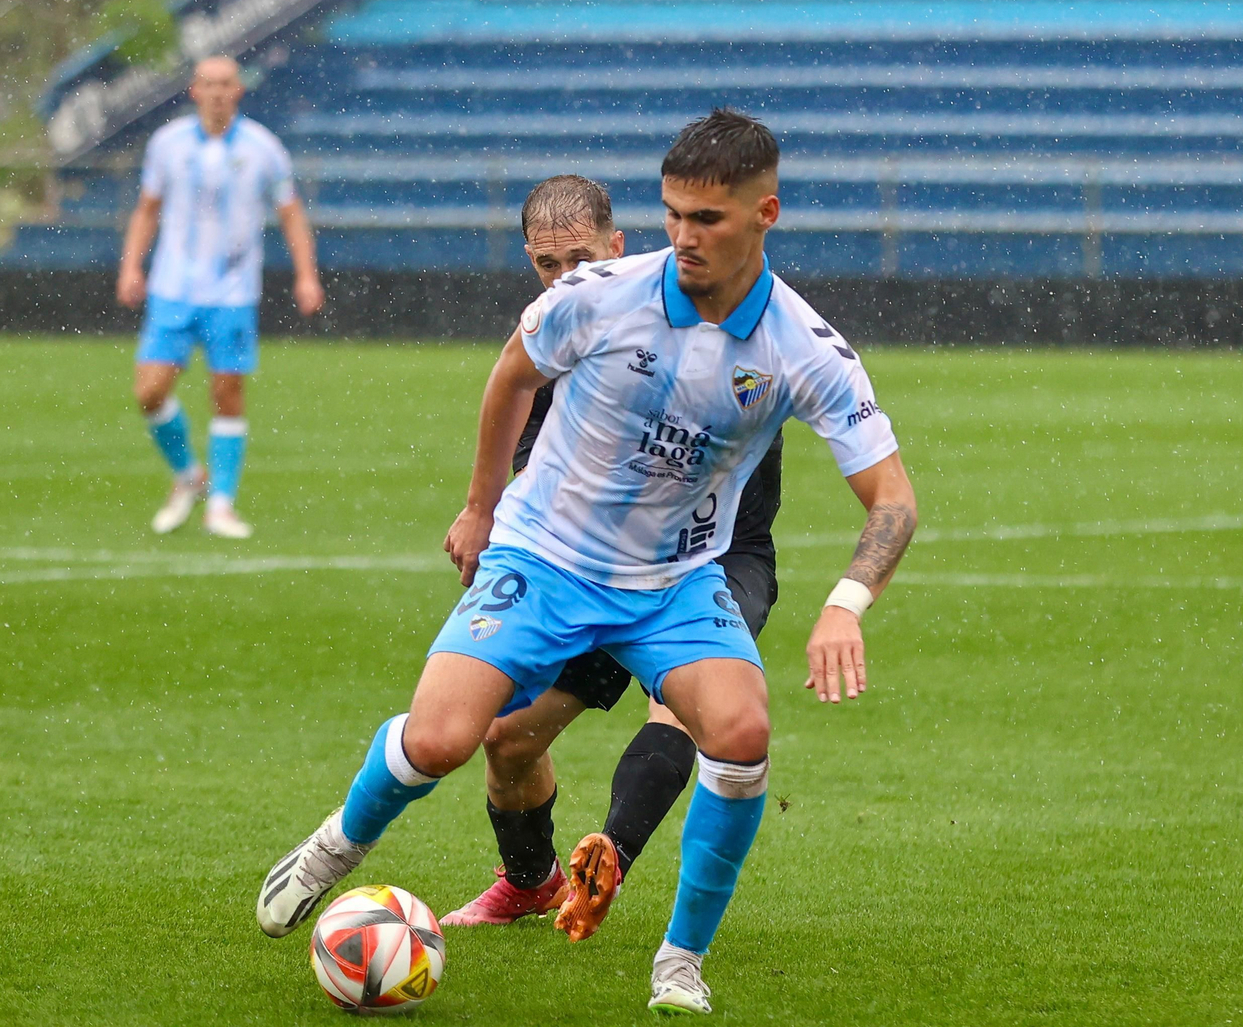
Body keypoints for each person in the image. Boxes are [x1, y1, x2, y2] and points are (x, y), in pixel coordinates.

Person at [256, 110, 918, 1014]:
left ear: (766, 213)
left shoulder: (803, 348)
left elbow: (893, 499)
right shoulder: (600, 295)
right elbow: (510, 378)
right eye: (675, 214)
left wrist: (846, 602)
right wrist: (483, 506)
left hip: (673, 584)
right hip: (547, 556)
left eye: (709, 219)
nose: (684, 237)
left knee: (742, 732)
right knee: (448, 739)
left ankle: (679, 960)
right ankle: (338, 844)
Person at [440, 175, 788, 944]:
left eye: (579, 260)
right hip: (591, 563)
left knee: (686, 709)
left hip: (714, 560)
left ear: (619, 247)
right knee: (508, 738)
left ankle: (612, 857)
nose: (564, 281)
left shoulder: (693, 319)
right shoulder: (550, 338)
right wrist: (488, 517)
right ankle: (530, 884)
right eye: (545, 265)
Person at [116, 55, 325, 538]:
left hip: (232, 292)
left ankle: (222, 506)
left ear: (238, 91)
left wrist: (306, 275)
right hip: (172, 287)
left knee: (226, 394)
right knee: (148, 392)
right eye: (208, 84)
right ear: (194, 90)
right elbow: (147, 209)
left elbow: (290, 213)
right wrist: (131, 266)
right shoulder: (166, 144)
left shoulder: (263, 148)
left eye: (225, 84)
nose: (216, 92)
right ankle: (191, 477)